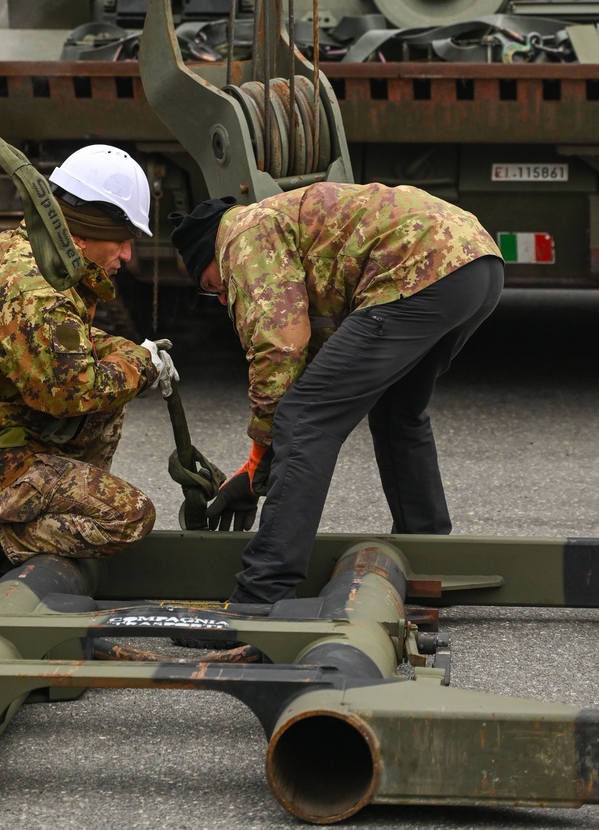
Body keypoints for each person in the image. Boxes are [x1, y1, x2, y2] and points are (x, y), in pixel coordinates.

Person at [170, 182, 503, 612]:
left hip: (419, 269)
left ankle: (261, 594)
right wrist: (262, 466)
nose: (220, 297)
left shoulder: (241, 235)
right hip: (475, 262)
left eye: (211, 284)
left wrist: (261, 453)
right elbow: (321, 353)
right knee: (399, 413)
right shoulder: (280, 221)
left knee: (305, 419)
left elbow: (281, 344)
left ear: (211, 256)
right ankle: (428, 562)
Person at [0, 145, 178, 616]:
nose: (127, 253)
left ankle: (54, 520)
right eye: (120, 238)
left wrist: (131, 352)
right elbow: (73, 392)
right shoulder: (33, 288)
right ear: (87, 232)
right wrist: (143, 366)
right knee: (128, 517)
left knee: (111, 381)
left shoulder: (37, 253)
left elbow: (68, 346)